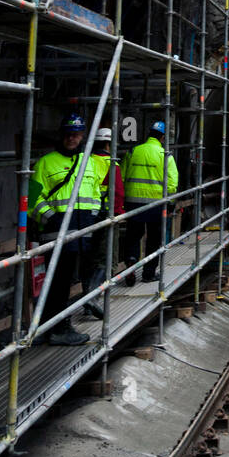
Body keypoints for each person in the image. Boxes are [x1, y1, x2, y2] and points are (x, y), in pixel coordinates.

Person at [29, 112, 101, 345]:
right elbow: (32, 198)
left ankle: (49, 327)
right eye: (69, 134)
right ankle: (58, 328)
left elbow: (96, 193)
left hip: (80, 233)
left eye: (77, 134)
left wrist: (93, 217)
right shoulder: (46, 162)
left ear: (82, 136)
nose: (72, 138)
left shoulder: (88, 162)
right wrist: (49, 217)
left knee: (65, 281)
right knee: (58, 282)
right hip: (56, 232)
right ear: (62, 135)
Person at [121, 121, 177, 286]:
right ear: (163, 136)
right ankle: (148, 273)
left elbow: (122, 176)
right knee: (153, 239)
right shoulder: (166, 154)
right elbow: (172, 184)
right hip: (156, 204)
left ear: (149, 133)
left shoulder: (133, 151)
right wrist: (171, 202)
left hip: (132, 203)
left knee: (132, 236)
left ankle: (131, 263)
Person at [80, 126, 125, 319]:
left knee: (88, 259)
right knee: (107, 260)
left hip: (87, 215)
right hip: (107, 214)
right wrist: (120, 213)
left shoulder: (85, 160)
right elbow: (118, 192)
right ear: (108, 143)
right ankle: (93, 297)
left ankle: (87, 302)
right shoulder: (111, 163)